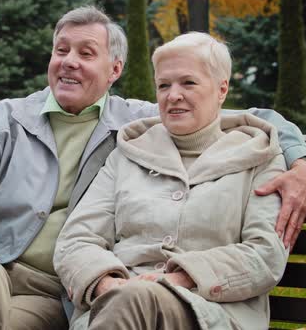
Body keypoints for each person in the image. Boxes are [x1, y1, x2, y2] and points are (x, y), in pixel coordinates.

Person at [0, 6, 306, 330]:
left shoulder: (135, 125)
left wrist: (302, 163)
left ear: (115, 71)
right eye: (61, 50)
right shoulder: (5, 117)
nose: (69, 62)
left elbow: (251, 116)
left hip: (54, 291)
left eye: (86, 53)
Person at [54, 32, 293, 330]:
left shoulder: (259, 156)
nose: (173, 95)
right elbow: (75, 240)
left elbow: (265, 253)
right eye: (163, 85)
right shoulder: (128, 154)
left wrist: (175, 280)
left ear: (222, 89)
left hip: (209, 313)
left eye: (188, 83)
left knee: (137, 299)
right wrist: (108, 285)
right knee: (132, 301)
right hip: (116, 306)